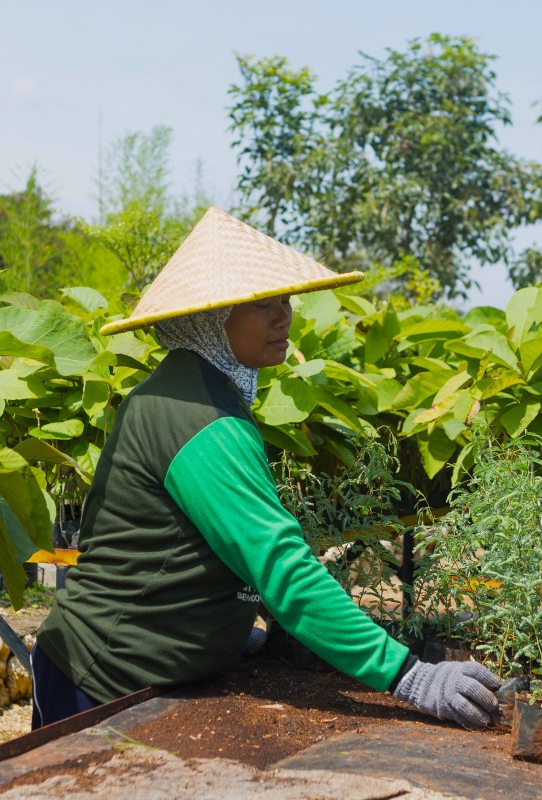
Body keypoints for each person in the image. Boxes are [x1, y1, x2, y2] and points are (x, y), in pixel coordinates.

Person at [32, 208, 500, 730]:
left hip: (147, 676)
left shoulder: (189, 390)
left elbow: (191, 543)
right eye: (262, 303)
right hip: (102, 681)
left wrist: (227, 624)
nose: (285, 316)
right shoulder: (203, 421)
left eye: (285, 299)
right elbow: (279, 565)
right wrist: (408, 675)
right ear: (209, 317)